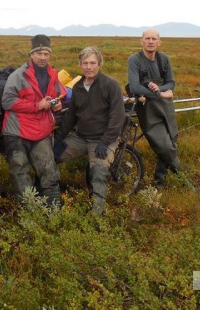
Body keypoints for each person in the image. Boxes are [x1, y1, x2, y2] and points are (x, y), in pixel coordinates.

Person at [54, 46, 125, 215]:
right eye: (85, 63)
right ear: (80, 64)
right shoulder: (78, 87)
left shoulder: (110, 85)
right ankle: (50, 197)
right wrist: (57, 139)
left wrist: (105, 142)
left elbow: (117, 117)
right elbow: (70, 117)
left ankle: (96, 214)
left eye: (92, 63)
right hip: (80, 138)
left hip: (103, 139)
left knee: (98, 171)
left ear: (99, 64)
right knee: (51, 157)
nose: (89, 67)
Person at [1, 34, 65, 206]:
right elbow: (7, 102)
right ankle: (30, 213)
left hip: (41, 132)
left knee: (48, 171)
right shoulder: (18, 76)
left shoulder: (53, 75)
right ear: (31, 54)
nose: (43, 57)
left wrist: (55, 104)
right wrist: (37, 105)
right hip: (17, 132)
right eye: (39, 53)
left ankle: (53, 211)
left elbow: (55, 95)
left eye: (46, 53)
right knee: (20, 173)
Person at [127, 29, 181, 187]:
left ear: (159, 42)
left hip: (166, 107)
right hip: (147, 108)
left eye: (154, 39)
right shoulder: (134, 60)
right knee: (164, 146)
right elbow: (135, 87)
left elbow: (171, 82)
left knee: (172, 142)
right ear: (141, 41)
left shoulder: (164, 59)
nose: (150, 41)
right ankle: (183, 178)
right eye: (147, 38)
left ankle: (159, 181)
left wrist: (159, 88)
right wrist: (160, 94)